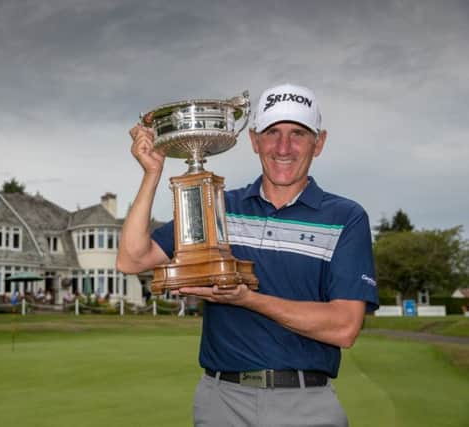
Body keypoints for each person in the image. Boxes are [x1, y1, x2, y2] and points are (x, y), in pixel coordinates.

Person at [117, 83, 379, 427]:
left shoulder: (345, 217)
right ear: (254, 140)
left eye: (298, 133)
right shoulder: (219, 206)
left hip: (305, 404)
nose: (283, 147)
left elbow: (344, 327)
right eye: (272, 133)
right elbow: (131, 259)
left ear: (320, 143)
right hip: (221, 401)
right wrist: (152, 174)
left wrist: (247, 299)